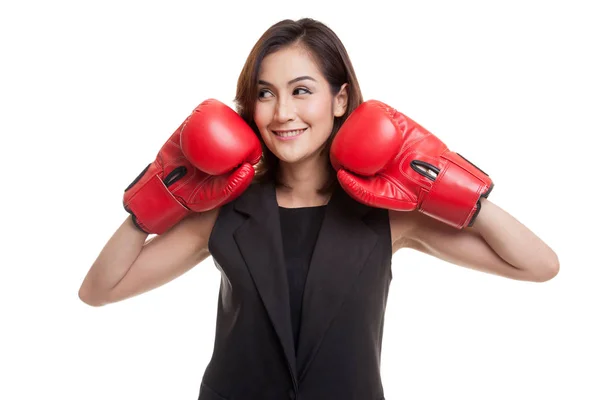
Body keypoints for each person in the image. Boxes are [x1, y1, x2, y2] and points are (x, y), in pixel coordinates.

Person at [79, 18, 559, 400]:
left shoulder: (389, 214)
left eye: (302, 90)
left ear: (340, 98)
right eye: (265, 93)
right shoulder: (223, 207)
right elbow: (98, 290)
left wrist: (449, 181)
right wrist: (159, 193)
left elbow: (539, 265)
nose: (282, 111)